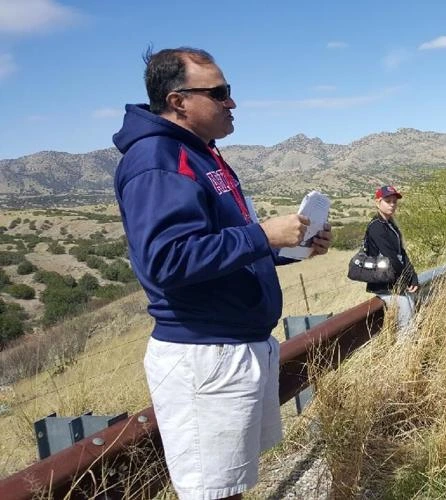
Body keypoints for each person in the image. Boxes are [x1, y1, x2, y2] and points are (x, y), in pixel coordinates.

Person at [112, 47, 331, 500]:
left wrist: (290, 250)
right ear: (178, 101)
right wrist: (264, 236)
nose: (231, 102)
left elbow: (222, 247)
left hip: (235, 349)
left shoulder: (202, 155)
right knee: (213, 492)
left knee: (233, 486)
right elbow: (167, 260)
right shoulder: (159, 160)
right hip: (205, 357)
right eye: (220, 93)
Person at [364, 185, 419, 336]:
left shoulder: (390, 225)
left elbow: (401, 252)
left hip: (396, 283)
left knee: (408, 321)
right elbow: (392, 258)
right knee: (406, 328)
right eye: (388, 201)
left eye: (394, 201)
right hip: (385, 284)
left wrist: (412, 276)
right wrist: (407, 278)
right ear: (378, 202)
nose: (392, 204)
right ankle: (405, 356)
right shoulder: (376, 227)